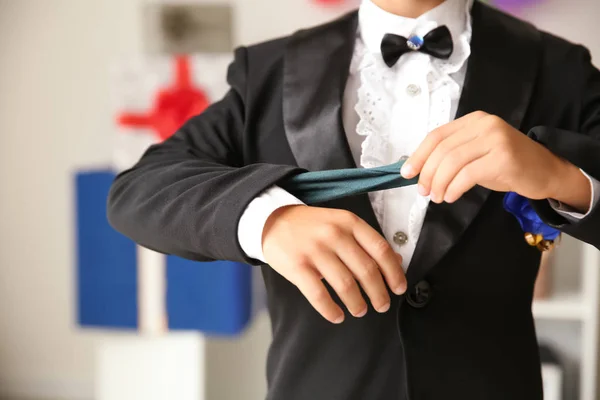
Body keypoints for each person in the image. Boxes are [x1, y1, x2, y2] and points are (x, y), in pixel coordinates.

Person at [107, 0, 600, 398]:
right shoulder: (267, 70)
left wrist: (561, 176)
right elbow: (139, 189)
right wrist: (268, 221)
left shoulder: (559, 68)